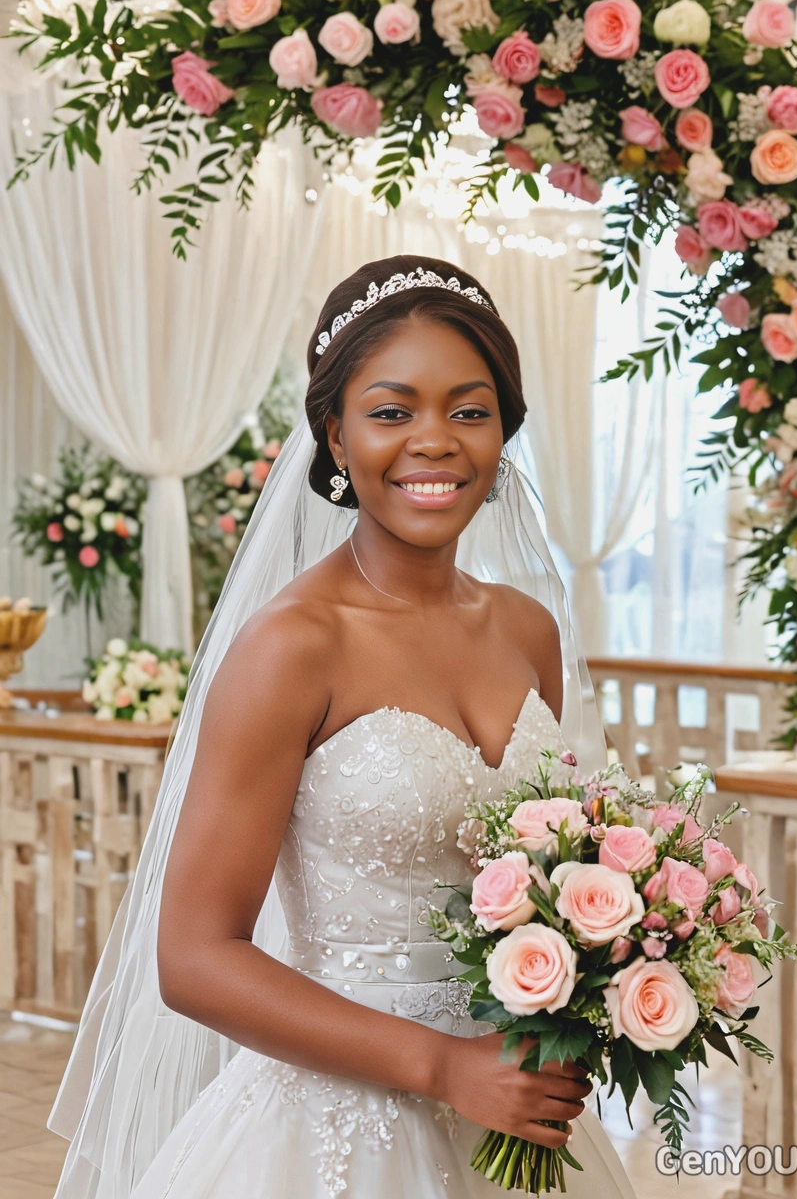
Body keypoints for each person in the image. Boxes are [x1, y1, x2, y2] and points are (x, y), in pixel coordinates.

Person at [49, 256, 635, 1198]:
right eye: (392, 412)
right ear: (335, 435)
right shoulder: (293, 644)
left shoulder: (528, 629)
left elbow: (553, 875)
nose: (434, 441)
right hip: (335, 1127)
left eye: (470, 411)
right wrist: (443, 1066)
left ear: (503, 432)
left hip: (515, 1102)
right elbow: (194, 960)